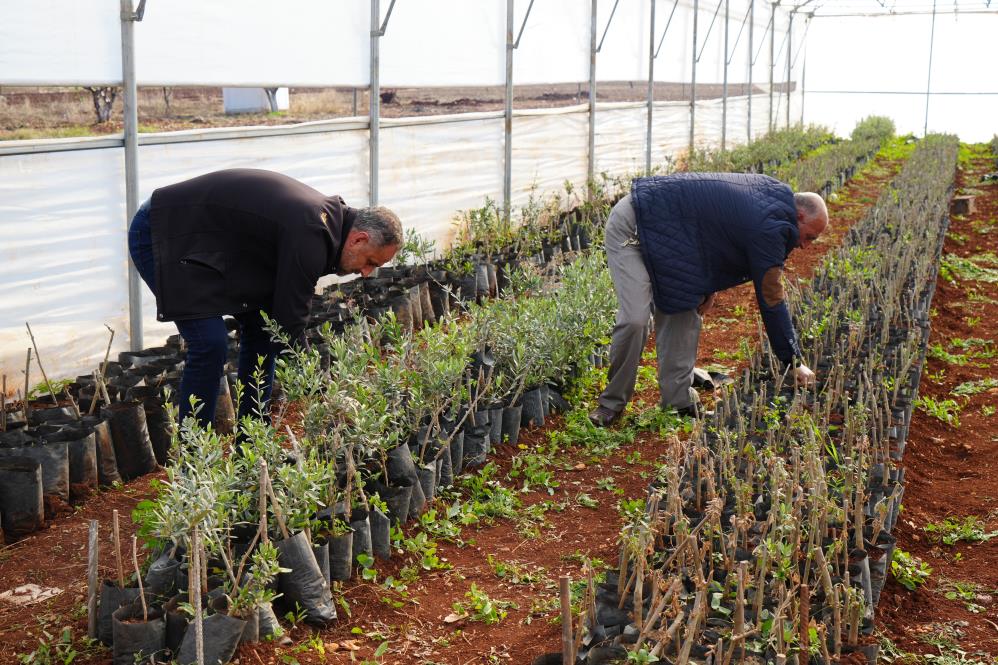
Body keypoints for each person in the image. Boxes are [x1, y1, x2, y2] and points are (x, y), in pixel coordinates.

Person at [128, 168, 402, 427]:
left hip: (213, 242)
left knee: (262, 329)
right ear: (358, 239)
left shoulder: (327, 226)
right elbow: (290, 322)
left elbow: (280, 320)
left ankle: (251, 438)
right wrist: (320, 393)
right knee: (209, 343)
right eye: (370, 262)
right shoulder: (312, 234)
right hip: (163, 230)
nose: (367, 273)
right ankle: (195, 457)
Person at [588, 172, 828, 427]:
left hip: (674, 237)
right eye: (810, 237)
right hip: (635, 226)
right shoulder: (770, 227)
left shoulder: (774, 199)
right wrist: (793, 361)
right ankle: (611, 403)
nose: (806, 246)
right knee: (635, 319)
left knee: (685, 304)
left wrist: (709, 287)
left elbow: (716, 237)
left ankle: (678, 401)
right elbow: (771, 298)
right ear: (799, 216)